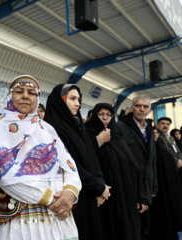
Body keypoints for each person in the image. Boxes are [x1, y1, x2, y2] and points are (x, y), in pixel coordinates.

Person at [0, 75, 81, 240]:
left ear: (38, 97)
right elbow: (4, 175)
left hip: (55, 219)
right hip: (16, 222)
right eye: (19, 91)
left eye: (31, 93)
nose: (25, 95)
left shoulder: (47, 129)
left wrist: (70, 192)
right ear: (10, 96)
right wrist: (49, 198)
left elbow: (69, 166)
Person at [44, 84, 110, 240]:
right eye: (72, 99)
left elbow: (92, 158)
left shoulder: (78, 126)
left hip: (90, 195)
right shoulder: (53, 128)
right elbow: (70, 166)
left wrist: (101, 185)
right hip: (72, 198)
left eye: (78, 99)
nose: (78, 104)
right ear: (60, 101)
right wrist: (98, 187)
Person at [85, 103, 141, 240]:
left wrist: (137, 194)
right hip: (102, 193)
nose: (105, 117)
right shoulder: (87, 135)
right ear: (94, 116)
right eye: (101, 114)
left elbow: (132, 166)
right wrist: (99, 141)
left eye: (108, 115)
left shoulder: (117, 136)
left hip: (123, 193)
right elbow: (86, 159)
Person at [117, 95, 157, 240]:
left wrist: (153, 186)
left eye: (145, 106)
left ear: (150, 110)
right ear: (132, 107)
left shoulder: (150, 130)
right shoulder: (121, 127)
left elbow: (152, 161)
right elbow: (124, 162)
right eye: (138, 106)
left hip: (146, 187)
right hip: (130, 187)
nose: (142, 109)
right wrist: (139, 194)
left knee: (145, 227)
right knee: (133, 230)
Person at [150, 117, 182, 240]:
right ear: (157, 125)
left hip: (175, 172)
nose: (165, 126)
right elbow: (166, 155)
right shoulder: (158, 138)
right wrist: (175, 162)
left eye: (167, 124)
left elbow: (177, 152)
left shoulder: (171, 138)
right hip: (166, 174)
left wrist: (179, 159)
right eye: (162, 123)